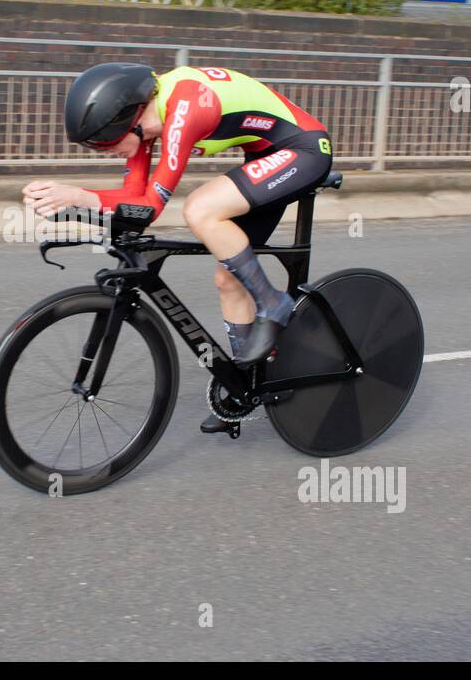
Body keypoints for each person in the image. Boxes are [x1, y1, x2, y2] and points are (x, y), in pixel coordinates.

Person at [22, 63, 334, 435]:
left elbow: (151, 207)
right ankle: (244, 385)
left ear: (127, 122)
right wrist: (73, 206)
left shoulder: (186, 108)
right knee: (228, 277)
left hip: (303, 149)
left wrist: (79, 196)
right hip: (265, 157)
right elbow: (134, 202)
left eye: (103, 144)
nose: (104, 152)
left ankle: (274, 303)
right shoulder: (146, 123)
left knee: (200, 209)